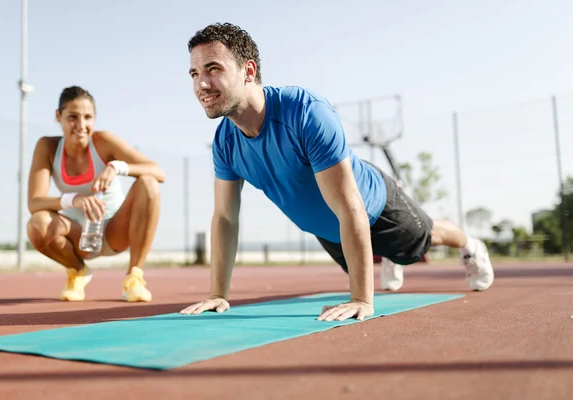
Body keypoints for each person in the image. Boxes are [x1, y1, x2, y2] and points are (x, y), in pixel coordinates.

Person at [180, 23, 494, 322]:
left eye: (214, 69)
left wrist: (360, 299)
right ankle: (385, 260)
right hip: (330, 229)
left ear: (248, 71)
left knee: (426, 239)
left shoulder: (304, 111)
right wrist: (217, 294)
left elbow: (349, 205)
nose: (201, 84)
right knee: (366, 262)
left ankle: (470, 245)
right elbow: (224, 217)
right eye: (195, 73)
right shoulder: (225, 141)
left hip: (372, 206)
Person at [27, 86, 164, 302]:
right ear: (58, 116)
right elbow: (34, 202)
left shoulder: (104, 141)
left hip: (115, 231)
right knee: (37, 223)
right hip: (78, 235)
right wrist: (74, 200)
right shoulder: (47, 146)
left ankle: (134, 277)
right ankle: (77, 271)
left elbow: (158, 172)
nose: (81, 126)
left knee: (149, 184)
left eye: (88, 117)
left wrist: (117, 167)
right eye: (73, 117)